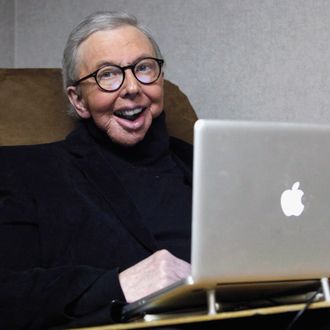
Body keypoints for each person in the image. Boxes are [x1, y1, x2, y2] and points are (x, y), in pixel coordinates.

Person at [0, 11, 192, 329]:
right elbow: (7, 292)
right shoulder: (25, 173)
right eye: (108, 74)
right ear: (78, 100)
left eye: (144, 67)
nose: (132, 87)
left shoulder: (205, 163)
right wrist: (118, 285)